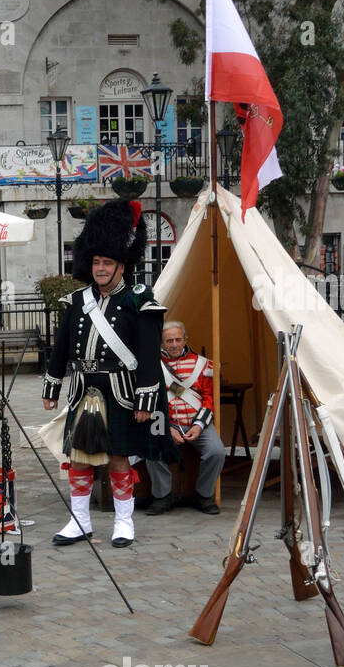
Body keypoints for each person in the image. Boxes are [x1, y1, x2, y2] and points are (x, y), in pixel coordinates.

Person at [43, 199, 164, 548]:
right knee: (79, 458)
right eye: (95, 261)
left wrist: (146, 399)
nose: (99, 268)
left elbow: (147, 354)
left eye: (106, 262)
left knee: (118, 458)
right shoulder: (78, 301)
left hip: (120, 390)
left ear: (121, 265)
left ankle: (124, 521)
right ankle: (79, 520)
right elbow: (62, 346)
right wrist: (52, 387)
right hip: (83, 389)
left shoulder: (138, 300)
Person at [144, 322, 224, 516]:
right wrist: (165, 428)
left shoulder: (204, 365)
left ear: (185, 340)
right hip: (164, 422)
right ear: (162, 343)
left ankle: (203, 495)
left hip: (197, 422)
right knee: (153, 450)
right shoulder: (151, 366)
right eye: (169, 340)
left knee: (217, 451)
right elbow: (151, 400)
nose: (174, 344)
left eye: (178, 339)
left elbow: (209, 399)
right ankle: (162, 497)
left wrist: (198, 425)